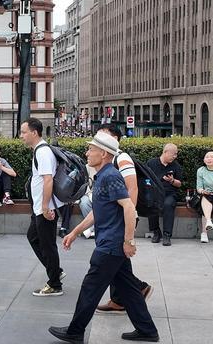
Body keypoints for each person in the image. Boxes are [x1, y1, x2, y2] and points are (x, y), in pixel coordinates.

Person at [49, 131, 159, 344]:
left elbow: (128, 207)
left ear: (105, 154)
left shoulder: (110, 176)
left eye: (91, 149)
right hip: (112, 244)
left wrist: (129, 241)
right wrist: (74, 232)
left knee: (90, 288)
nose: (87, 152)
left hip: (111, 245)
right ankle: (147, 330)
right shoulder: (102, 176)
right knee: (129, 289)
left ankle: (75, 331)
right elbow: (97, 211)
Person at [92, 125, 153, 314]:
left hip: (119, 221)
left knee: (113, 261)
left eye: (104, 134)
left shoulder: (122, 157)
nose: (99, 137)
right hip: (115, 220)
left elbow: (132, 188)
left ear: (114, 139)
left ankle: (132, 292)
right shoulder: (109, 163)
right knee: (119, 264)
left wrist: (131, 219)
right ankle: (121, 299)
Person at [20, 117, 65, 297]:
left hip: (44, 208)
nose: (21, 136)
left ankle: (54, 284)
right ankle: (56, 270)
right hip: (39, 207)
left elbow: (48, 180)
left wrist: (46, 207)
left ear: (34, 132)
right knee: (33, 237)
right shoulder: (39, 150)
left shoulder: (43, 152)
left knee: (47, 246)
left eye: (24, 132)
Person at [146, 143, 182, 246]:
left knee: (168, 204)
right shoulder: (151, 163)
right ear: (165, 152)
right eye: (173, 154)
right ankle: (156, 232)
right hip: (155, 192)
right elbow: (145, 178)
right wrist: (149, 186)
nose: (175, 156)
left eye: (176, 154)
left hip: (169, 193)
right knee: (150, 201)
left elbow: (179, 184)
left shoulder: (176, 166)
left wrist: (172, 180)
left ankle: (167, 235)